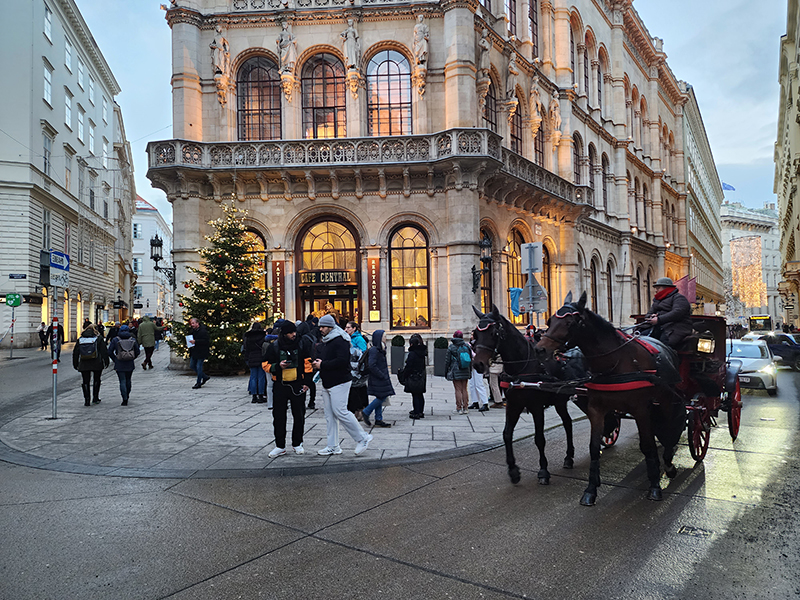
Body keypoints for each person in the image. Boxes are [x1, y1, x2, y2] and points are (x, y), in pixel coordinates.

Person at [312, 314, 372, 456]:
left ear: (331, 327)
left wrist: (322, 364)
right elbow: (332, 359)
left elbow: (342, 361)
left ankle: (363, 438)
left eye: (323, 326)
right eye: (320, 326)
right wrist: (321, 362)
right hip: (328, 381)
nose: (320, 329)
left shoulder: (340, 340)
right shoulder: (327, 340)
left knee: (340, 411)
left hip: (340, 381)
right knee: (329, 415)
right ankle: (333, 446)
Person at [264, 321, 313, 457]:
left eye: (294, 332)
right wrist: (278, 366)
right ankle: (280, 445)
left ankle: (297, 443)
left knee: (299, 415)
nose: (294, 334)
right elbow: (265, 364)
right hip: (280, 385)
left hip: (297, 384)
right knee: (279, 416)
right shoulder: (274, 347)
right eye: (291, 332)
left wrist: (307, 382)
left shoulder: (302, 344)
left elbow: (308, 364)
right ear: (284, 334)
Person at [644, 277, 693, 349]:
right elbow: (649, 313)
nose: (656, 290)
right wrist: (651, 316)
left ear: (666, 288)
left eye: (658, 288)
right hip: (658, 327)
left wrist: (659, 319)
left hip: (676, 328)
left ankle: (669, 359)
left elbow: (677, 313)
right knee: (642, 339)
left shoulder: (679, 298)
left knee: (664, 344)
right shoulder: (657, 300)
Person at [361, 330, 394, 428]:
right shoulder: (374, 350)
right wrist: (381, 375)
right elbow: (372, 365)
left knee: (380, 396)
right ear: (379, 338)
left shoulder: (380, 348)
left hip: (380, 377)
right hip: (378, 378)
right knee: (382, 396)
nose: (385, 338)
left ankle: (378, 419)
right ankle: (366, 411)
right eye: (384, 336)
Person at [72, 324, 109, 407]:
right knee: (97, 380)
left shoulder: (81, 339)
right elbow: (104, 351)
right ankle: (95, 398)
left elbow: (76, 352)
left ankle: (87, 400)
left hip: (84, 363)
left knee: (85, 381)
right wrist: (106, 361)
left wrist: (75, 363)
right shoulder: (98, 338)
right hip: (97, 362)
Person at [108, 324, 140, 406]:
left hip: (119, 363)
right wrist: (132, 357)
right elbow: (137, 351)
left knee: (122, 380)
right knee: (128, 380)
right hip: (129, 362)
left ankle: (124, 398)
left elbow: (109, 351)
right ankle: (127, 395)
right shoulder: (132, 339)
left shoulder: (115, 340)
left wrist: (115, 359)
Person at [344, 321, 368, 419]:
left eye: (348, 327)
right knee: (354, 389)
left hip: (357, 369)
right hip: (351, 368)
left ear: (354, 328)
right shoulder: (347, 338)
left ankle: (360, 410)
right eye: (346, 327)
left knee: (357, 389)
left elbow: (364, 352)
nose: (346, 329)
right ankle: (356, 410)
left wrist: (354, 353)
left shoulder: (358, 338)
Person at [445, 330, 472, 415]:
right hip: (465, 369)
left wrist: (446, 370)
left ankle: (459, 408)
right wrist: (470, 370)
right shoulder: (467, 346)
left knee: (458, 389)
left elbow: (447, 360)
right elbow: (470, 359)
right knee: (464, 389)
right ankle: (466, 407)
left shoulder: (452, 347)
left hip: (456, 370)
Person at [404, 333, 427, 419]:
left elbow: (409, 366)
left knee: (415, 395)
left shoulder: (412, 353)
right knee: (420, 394)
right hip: (421, 375)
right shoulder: (422, 352)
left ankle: (416, 412)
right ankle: (420, 411)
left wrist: (405, 374)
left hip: (414, 376)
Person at [244, 322, 267, 403]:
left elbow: (246, 348)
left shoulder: (248, 336)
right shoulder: (262, 336)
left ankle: (254, 396)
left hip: (251, 357)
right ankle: (260, 395)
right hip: (261, 357)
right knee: (261, 377)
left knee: (253, 377)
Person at [468, 332, 490, 412]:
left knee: (479, 384)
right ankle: (475, 402)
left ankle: (485, 403)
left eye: (472, 335)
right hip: (471, 366)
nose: (471, 336)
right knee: (472, 384)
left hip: (478, 366)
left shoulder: (479, 344)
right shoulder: (470, 344)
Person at [187, 317, 211, 389]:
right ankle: (204, 376)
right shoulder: (192, 331)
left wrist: (196, 341)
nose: (192, 325)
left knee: (199, 366)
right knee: (192, 365)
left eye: (193, 323)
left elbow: (206, 341)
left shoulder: (203, 331)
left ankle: (198, 382)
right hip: (194, 351)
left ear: (197, 323)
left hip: (201, 351)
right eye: (191, 323)